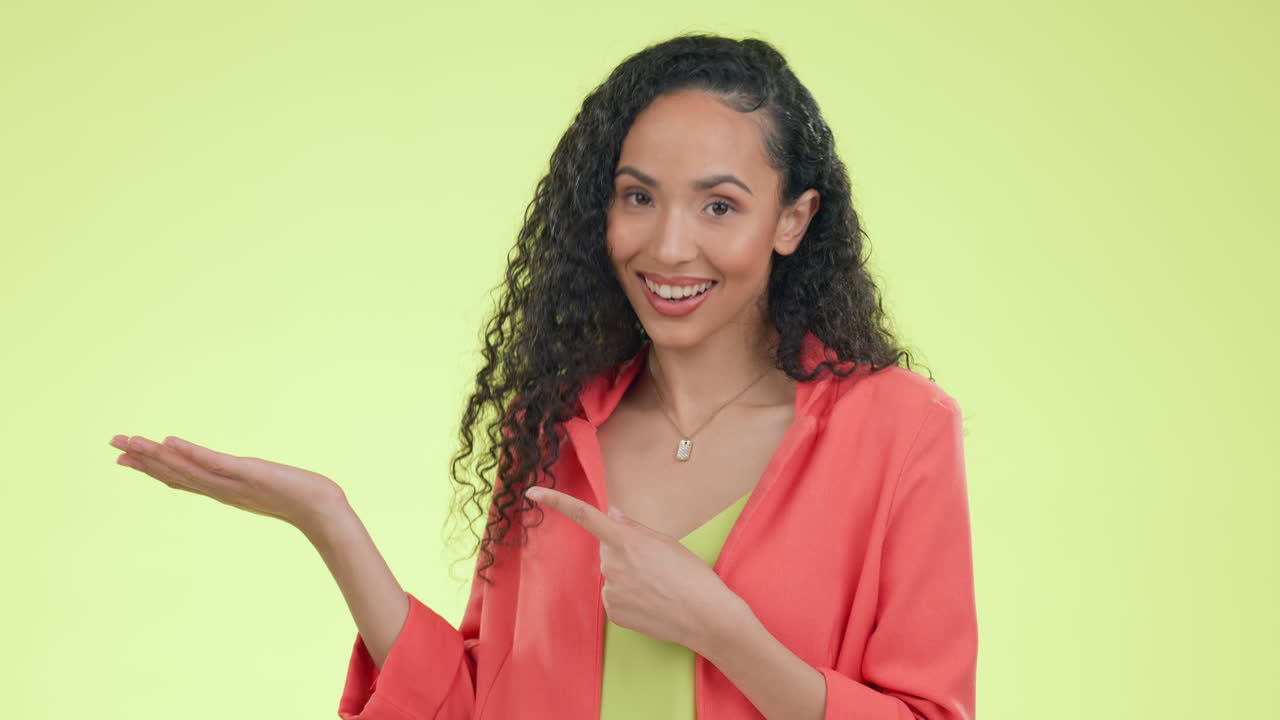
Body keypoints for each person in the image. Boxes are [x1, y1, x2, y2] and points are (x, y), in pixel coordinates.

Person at [109, 33, 977, 720]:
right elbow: (475, 702)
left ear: (792, 220)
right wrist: (327, 520)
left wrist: (724, 634)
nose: (668, 246)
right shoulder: (556, 424)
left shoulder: (899, 430)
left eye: (720, 205)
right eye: (638, 197)